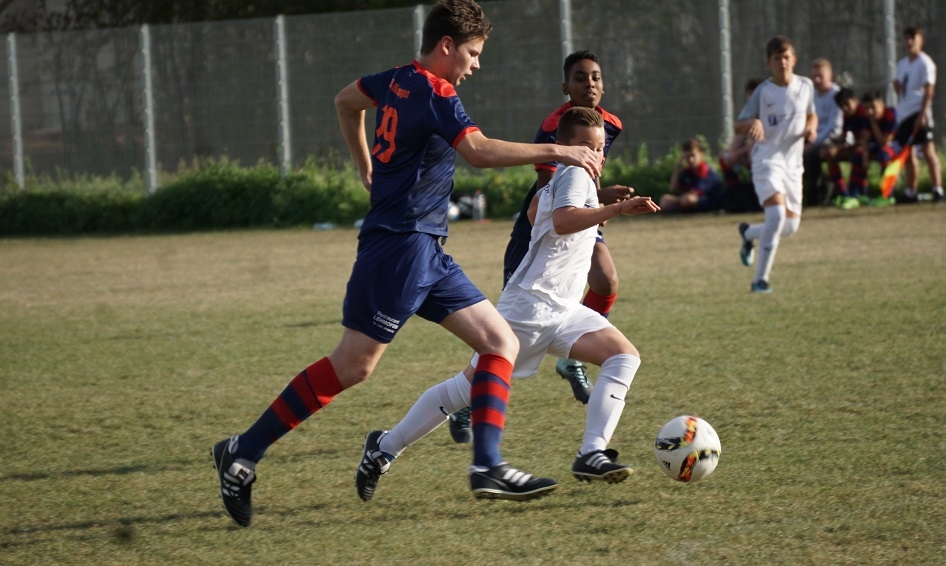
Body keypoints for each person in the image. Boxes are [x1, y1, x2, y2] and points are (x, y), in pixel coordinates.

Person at [210, 0, 604, 528]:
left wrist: (364, 166)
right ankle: (242, 450)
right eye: (472, 52)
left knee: (500, 342)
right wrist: (559, 152)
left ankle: (487, 464)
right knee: (353, 366)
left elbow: (346, 101)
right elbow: (480, 151)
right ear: (446, 47)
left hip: (426, 250)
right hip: (400, 247)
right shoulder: (436, 91)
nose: (475, 64)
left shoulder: (395, 80)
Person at [354, 107, 660, 503]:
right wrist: (614, 210)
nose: (595, 155)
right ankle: (384, 447)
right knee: (466, 387)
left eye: (600, 148)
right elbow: (565, 221)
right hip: (531, 306)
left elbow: (539, 214)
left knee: (624, 357)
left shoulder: (568, 180)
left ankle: (593, 454)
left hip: (564, 307)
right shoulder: (574, 173)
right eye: (586, 146)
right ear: (564, 148)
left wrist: (594, 203)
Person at [447, 50, 633, 443]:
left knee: (607, 281)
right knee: (508, 341)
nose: (590, 85)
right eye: (580, 79)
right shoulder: (553, 127)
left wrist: (599, 196)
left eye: (596, 78)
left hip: (580, 213)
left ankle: (570, 360)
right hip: (544, 230)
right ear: (566, 88)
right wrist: (604, 206)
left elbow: (583, 179)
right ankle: (464, 404)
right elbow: (549, 196)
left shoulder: (610, 124)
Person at [735, 35, 817, 294]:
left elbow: (811, 114)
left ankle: (749, 234)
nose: (782, 62)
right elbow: (739, 124)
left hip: (793, 165)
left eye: (786, 57)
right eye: (776, 58)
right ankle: (761, 280)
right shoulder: (764, 91)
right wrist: (753, 123)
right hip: (766, 161)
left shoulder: (805, 86)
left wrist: (812, 128)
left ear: (794, 59)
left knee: (789, 227)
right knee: (776, 216)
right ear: (769, 62)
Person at [893, 26, 943, 203]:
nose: (909, 42)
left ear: (921, 40)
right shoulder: (901, 64)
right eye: (906, 38)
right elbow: (899, 86)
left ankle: (938, 190)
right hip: (905, 113)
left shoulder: (925, 63)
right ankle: (910, 192)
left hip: (919, 112)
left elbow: (929, 90)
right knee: (908, 153)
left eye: (913, 38)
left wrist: (922, 114)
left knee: (928, 151)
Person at [825, 89, 899, 209]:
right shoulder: (853, 115)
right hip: (872, 146)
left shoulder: (871, 114)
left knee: (882, 154)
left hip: (894, 146)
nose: (845, 108)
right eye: (841, 106)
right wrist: (835, 147)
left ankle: (887, 195)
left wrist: (872, 123)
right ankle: (850, 195)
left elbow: (881, 142)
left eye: (847, 104)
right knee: (846, 155)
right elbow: (854, 140)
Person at [802, 58, 843, 207]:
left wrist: (813, 143)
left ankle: (816, 193)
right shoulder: (811, 95)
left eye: (821, 76)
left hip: (833, 139)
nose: (817, 80)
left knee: (812, 155)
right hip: (814, 138)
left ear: (830, 75)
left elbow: (834, 127)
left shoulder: (836, 94)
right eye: (814, 77)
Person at [719, 78, 763, 214]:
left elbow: (757, 144)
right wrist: (729, 154)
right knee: (724, 158)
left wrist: (736, 154)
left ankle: (758, 199)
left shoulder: (768, 115)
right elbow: (739, 138)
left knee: (753, 155)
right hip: (751, 155)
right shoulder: (748, 116)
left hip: (766, 156)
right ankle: (735, 200)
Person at [658, 138, 725, 213]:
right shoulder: (688, 171)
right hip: (686, 199)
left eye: (693, 156)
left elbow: (694, 193)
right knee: (664, 199)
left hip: (710, 201)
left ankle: (677, 208)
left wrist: (676, 200)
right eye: (688, 157)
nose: (691, 160)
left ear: (700, 154)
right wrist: (678, 165)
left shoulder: (706, 171)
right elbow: (672, 188)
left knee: (688, 199)